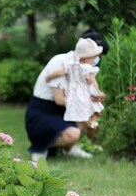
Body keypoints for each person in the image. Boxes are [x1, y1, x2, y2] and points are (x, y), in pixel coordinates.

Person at [25, 29, 108, 160]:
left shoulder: (82, 67)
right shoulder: (62, 62)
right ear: (86, 56)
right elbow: (59, 99)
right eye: (95, 56)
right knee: (74, 132)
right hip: (43, 111)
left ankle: (69, 148)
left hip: (62, 109)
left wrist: (96, 96)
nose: (97, 60)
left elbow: (87, 88)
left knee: (89, 115)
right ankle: (41, 147)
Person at [45, 37, 105, 138]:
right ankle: (92, 126)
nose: (95, 59)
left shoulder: (70, 65)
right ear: (86, 57)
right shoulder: (88, 69)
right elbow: (91, 83)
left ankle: (80, 134)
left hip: (72, 96)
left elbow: (59, 72)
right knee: (97, 110)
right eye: (94, 57)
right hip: (84, 95)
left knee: (79, 121)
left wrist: (49, 77)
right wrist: (97, 93)